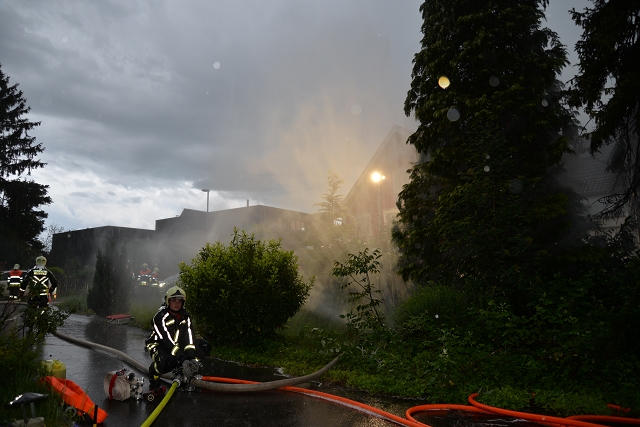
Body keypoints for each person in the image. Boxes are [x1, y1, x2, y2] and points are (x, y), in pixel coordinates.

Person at [145, 286, 202, 391]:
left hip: (176, 344)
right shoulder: (159, 317)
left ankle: (182, 372)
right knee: (168, 361)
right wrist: (182, 358)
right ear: (168, 301)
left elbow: (189, 337)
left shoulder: (186, 316)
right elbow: (166, 340)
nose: (177, 303)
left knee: (203, 347)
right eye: (173, 300)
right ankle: (154, 371)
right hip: (158, 345)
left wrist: (191, 357)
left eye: (179, 301)